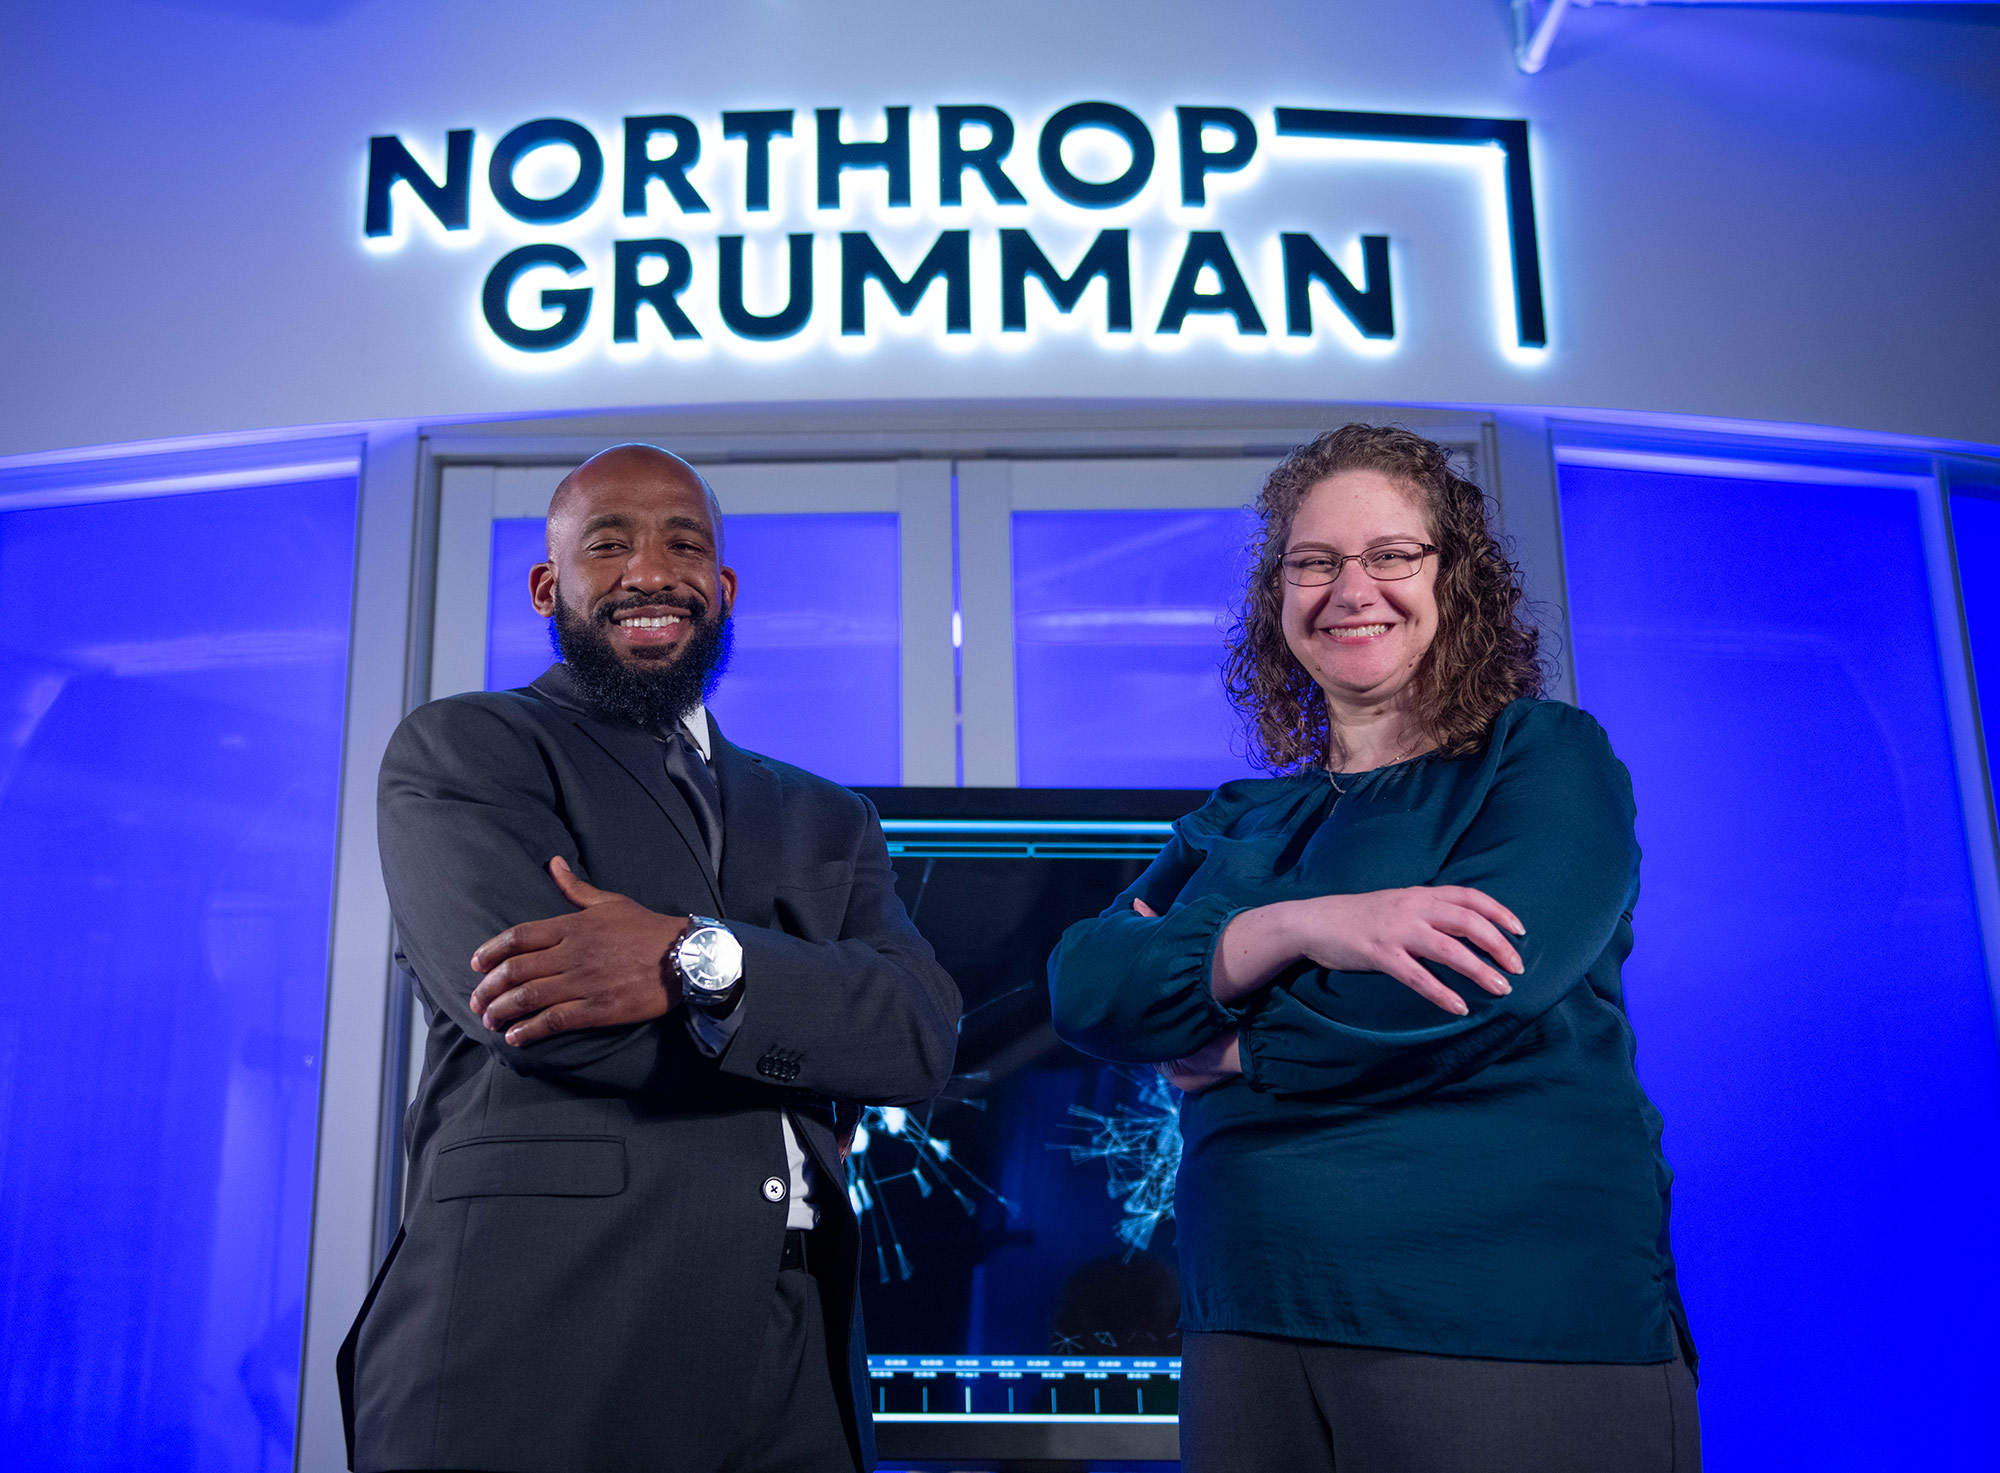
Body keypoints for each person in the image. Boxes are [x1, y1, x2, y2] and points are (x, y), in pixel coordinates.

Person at [1047, 424, 1699, 1473]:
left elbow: (1468, 987)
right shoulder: (1240, 815)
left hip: (1506, 1322)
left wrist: (1234, 1045)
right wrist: (1294, 926)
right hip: (1245, 1323)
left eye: (1391, 554)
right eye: (1314, 562)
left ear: (1456, 578)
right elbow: (1087, 986)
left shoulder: (1541, 758)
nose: (1351, 589)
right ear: (1278, 595)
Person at [338, 444, 960, 1473]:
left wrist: (688, 956)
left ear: (724, 587)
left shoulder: (827, 815)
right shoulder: (470, 750)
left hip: (799, 1350)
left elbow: (919, 1035)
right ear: (548, 586)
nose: (650, 572)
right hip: (542, 1340)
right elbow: (544, 1020)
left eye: (684, 545)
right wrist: (815, 1025)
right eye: (608, 545)